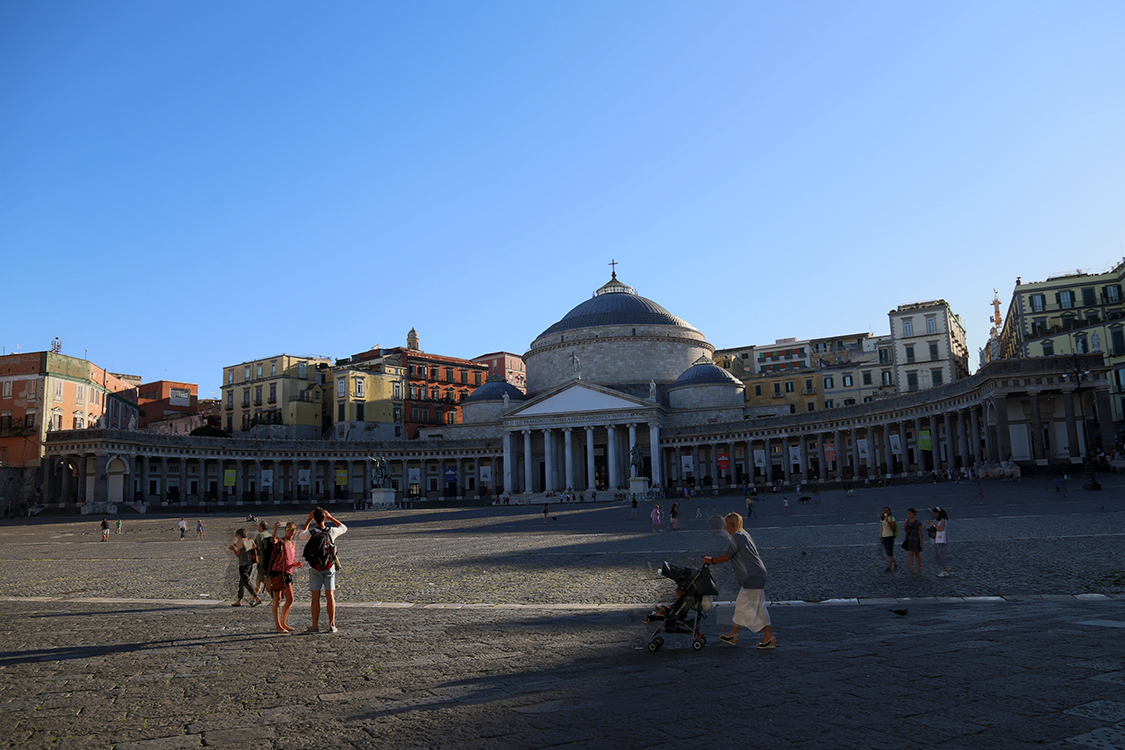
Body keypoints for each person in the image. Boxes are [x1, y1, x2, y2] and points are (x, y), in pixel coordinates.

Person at [702, 513, 776, 649]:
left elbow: (726, 556)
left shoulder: (737, 537)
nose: (726, 528)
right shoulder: (744, 534)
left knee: (745, 606)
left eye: (727, 525)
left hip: (752, 577)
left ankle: (737, 634)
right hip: (756, 575)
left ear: (732, 525)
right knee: (756, 608)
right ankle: (762, 636)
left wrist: (710, 560)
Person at [299, 507, 347, 633]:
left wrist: (309, 519)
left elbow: (301, 535)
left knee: (315, 597)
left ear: (314, 518)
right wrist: (331, 517)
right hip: (329, 566)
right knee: (330, 595)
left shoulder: (312, 533)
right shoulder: (331, 531)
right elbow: (344, 527)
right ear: (324, 517)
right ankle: (332, 624)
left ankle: (315, 625)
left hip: (315, 567)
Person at [268, 521, 303, 633]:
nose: (290, 531)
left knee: (290, 599)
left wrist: (294, 564)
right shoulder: (281, 541)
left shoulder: (292, 544)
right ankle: (278, 626)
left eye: (292, 529)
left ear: (295, 531)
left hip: (288, 573)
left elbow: (288, 559)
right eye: (288, 529)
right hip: (278, 572)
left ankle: (283, 623)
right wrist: (275, 530)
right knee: (277, 600)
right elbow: (273, 541)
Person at [228, 528, 261, 607]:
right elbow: (249, 550)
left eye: (236, 536)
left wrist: (233, 549)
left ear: (239, 535)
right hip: (250, 564)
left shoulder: (239, 542)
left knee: (246, 582)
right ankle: (239, 601)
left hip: (243, 564)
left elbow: (238, 555)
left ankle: (256, 598)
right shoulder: (249, 540)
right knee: (241, 583)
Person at [253, 520, 273, 599]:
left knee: (263, 580)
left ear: (261, 527)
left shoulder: (260, 535)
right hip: (269, 561)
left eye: (258, 526)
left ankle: (274, 597)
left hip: (262, 560)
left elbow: (256, 547)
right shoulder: (270, 535)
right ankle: (254, 597)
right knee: (258, 580)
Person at [928, 507, 949, 577]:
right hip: (938, 539)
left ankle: (944, 570)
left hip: (941, 539)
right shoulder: (940, 520)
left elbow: (941, 529)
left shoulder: (943, 520)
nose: (935, 515)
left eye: (936, 513)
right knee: (936, 554)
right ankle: (944, 567)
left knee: (941, 555)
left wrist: (933, 525)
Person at [903, 508, 923, 574]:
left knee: (917, 554)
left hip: (916, 539)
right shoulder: (908, 521)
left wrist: (921, 540)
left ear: (914, 513)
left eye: (910, 513)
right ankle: (912, 569)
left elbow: (920, 532)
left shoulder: (918, 522)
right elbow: (905, 529)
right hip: (909, 539)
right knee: (911, 554)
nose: (909, 514)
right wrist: (905, 524)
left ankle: (919, 568)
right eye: (908, 513)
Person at [880, 507, 898, 572]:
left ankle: (889, 567)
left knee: (890, 552)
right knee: (887, 552)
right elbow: (882, 528)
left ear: (889, 511)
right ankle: (895, 563)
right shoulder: (882, 519)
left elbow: (892, 528)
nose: (885, 512)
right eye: (884, 511)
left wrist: (888, 521)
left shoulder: (891, 518)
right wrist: (881, 536)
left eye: (887, 511)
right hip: (884, 536)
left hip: (890, 536)